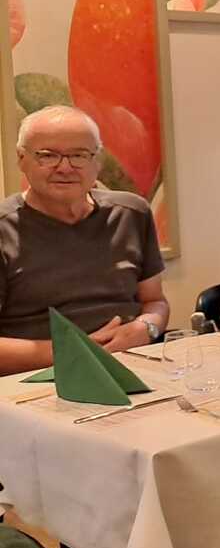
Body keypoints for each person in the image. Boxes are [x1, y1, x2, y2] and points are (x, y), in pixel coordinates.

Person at [0, 106, 168, 375]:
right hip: (38, 378)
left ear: (97, 161)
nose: (64, 168)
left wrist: (145, 327)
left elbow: (155, 301)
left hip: (133, 366)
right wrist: (73, 351)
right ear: (22, 159)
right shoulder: (4, 228)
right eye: (48, 155)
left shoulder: (132, 213)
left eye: (79, 155)